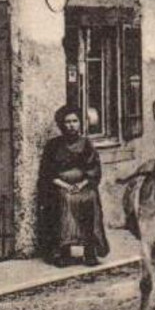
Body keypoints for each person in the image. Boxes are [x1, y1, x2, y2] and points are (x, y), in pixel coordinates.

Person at [37, 106, 110, 266]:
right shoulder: (53, 145)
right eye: (67, 122)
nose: (71, 125)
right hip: (60, 186)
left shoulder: (86, 144)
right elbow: (47, 173)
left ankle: (90, 251)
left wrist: (81, 184)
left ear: (80, 123)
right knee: (65, 199)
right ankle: (63, 251)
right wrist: (65, 185)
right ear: (62, 125)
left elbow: (93, 169)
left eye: (74, 121)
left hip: (82, 186)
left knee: (90, 197)